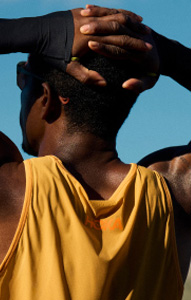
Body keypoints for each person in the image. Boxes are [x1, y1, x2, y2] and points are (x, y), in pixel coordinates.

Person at [0, 5, 190, 300]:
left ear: (47, 97)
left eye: (23, 79)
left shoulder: (9, 191)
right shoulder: (172, 191)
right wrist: (168, 54)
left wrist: (30, 32)